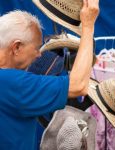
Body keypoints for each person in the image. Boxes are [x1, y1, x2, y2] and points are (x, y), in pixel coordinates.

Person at [0, 0, 99, 150]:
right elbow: (78, 85)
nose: (39, 54)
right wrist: (88, 26)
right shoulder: (13, 83)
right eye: (37, 48)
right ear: (16, 47)